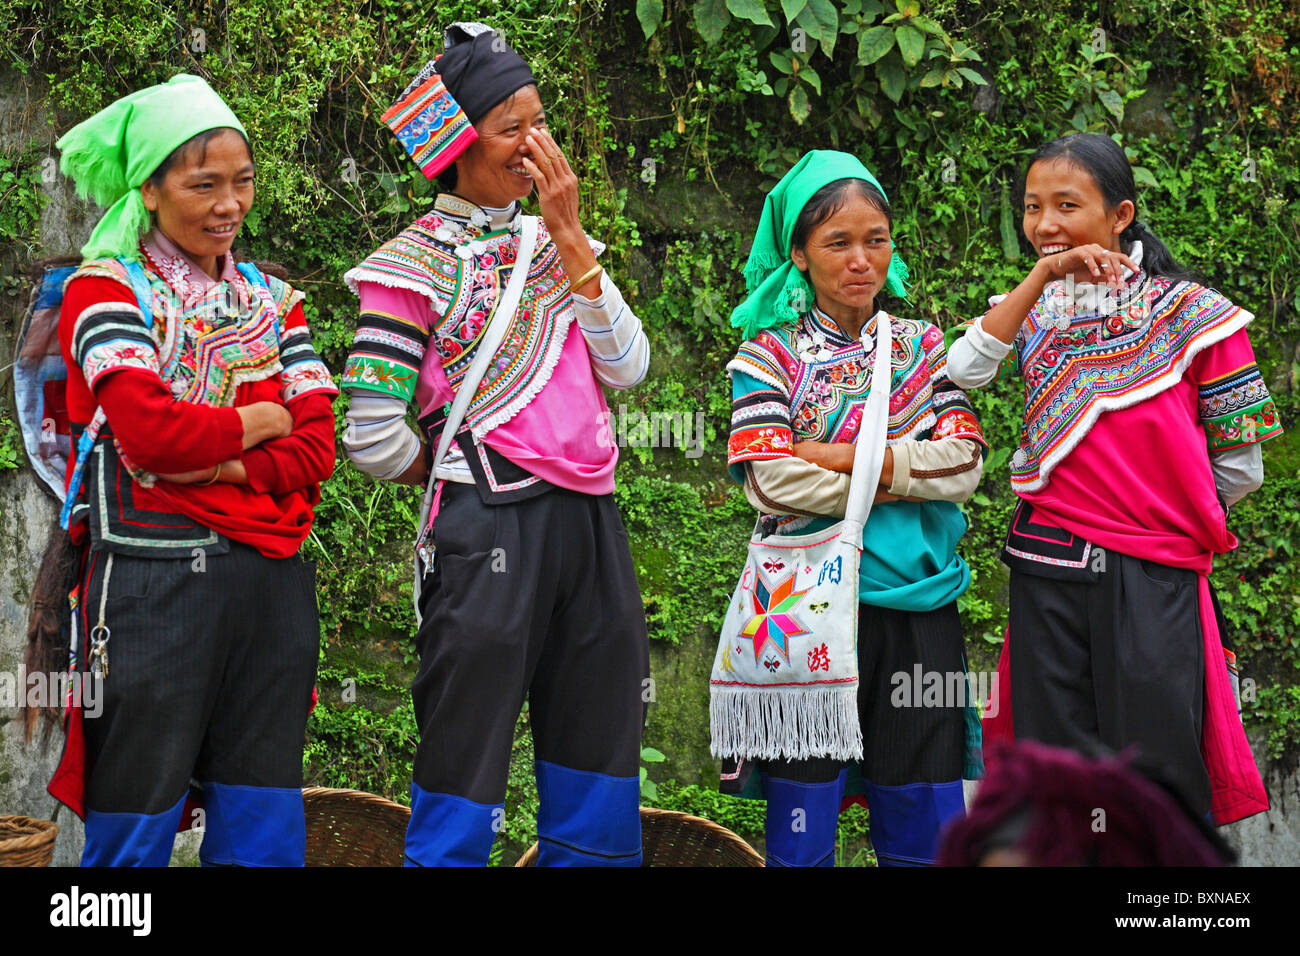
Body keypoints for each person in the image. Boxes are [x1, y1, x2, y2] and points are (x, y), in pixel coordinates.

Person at [341, 22, 651, 866]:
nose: (535, 146)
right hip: (486, 529)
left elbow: (628, 366)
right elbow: (370, 434)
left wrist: (573, 237)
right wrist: (455, 475)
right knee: (467, 746)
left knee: (598, 734)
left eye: (540, 123)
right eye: (512, 127)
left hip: (591, 522)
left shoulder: (557, 243)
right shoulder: (406, 267)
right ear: (457, 139)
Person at [49, 73, 339, 866]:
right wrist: (258, 422)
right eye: (202, 184)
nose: (228, 204)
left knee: (262, 812)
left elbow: (317, 448)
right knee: (135, 812)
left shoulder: (276, 301)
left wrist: (215, 467)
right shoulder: (104, 291)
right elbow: (147, 436)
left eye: (241, 182)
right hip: (151, 586)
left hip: (271, 592)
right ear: (149, 189)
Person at [946, 132, 1276, 825]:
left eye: (1067, 205)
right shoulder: (1031, 307)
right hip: (1049, 562)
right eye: (1032, 207)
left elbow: (1241, 463)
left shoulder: (1195, 316)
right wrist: (1042, 277)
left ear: (1120, 215)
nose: (1045, 224)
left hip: (1154, 570)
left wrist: (1158, 515)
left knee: (1155, 762)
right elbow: (965, 370)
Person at [716, 150, 988, 866]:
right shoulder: (766, 358)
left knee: (921, 814)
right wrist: (904, 465)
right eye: (838, 243)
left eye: (877, 239)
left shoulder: (926, 347)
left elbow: (965, 465)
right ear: (799, 254)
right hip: (802, 614)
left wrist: (835, 456)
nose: (861, 260)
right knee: (803, 818)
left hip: (917, 609)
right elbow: (771, 482)